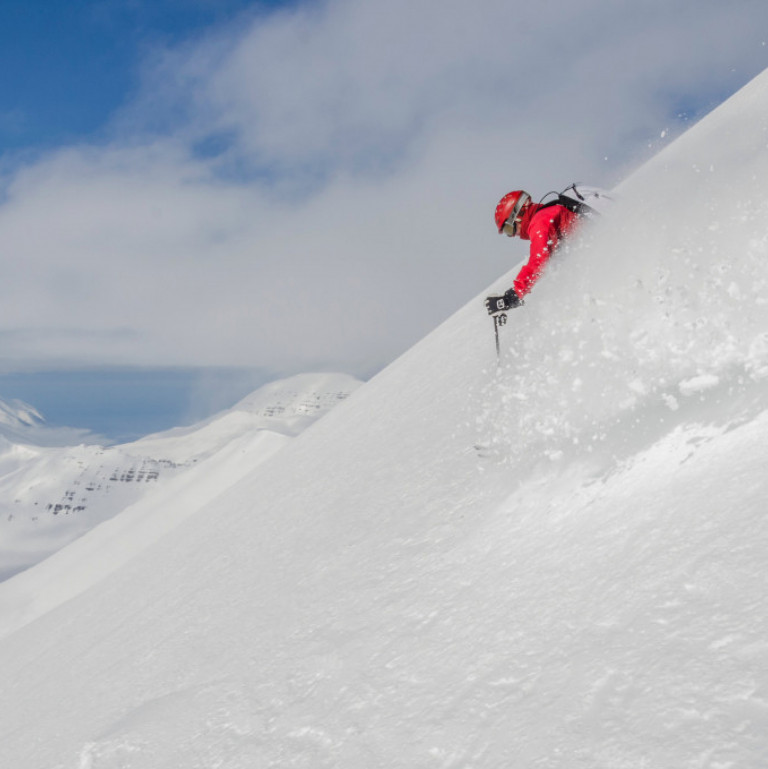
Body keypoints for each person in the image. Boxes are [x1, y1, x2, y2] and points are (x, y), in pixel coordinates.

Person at [485, 189, 580, 315]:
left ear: (517, 214)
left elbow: (539, 261)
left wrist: (512, 296)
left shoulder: (540, 220)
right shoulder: (550, 211)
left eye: (509, 229)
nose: (513, 235)